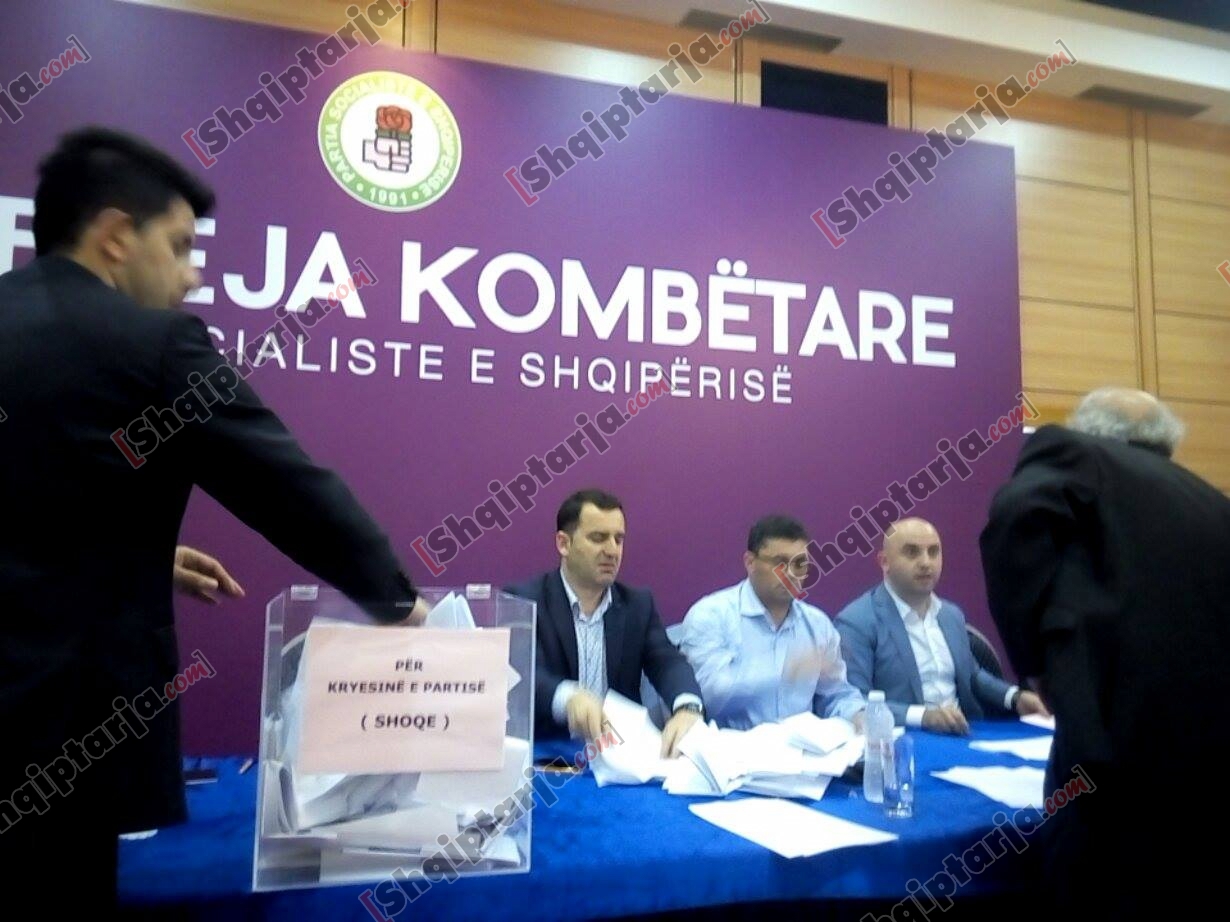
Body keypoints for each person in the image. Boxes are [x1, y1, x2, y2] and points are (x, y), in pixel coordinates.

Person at [0, 127, 425, 904]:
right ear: (116, 236)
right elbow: (285, 486)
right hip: (60, 737)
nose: (192, 275)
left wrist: (136, 554)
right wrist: (395, 599)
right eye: (179, 246)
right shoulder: (154, 346)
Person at [980, 387, 1230, 916]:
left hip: (1108, 746)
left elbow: (1013, 522)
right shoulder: (1212, 503)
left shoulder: (1071, 452)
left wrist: (1036, 663)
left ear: (1088, 430)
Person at [506, 489, 703, 756]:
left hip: (619, 756)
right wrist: (568, 697)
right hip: (548, 756)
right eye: (598, 538)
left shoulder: (637, 605)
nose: (612, 551)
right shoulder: (524, 601)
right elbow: (521, 674)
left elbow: (667, 662)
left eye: (618, 539)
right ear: (564, 544)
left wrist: (687, 706)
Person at [835, 517, 1047, 733]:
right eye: (912, 552)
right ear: (884, 562)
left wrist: (1015, 697)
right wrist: (924, 717)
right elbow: (856, 702)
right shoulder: (857, 622)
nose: (926, 562)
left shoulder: (950, 615)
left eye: (933, 552)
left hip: (964, 731)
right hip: (905, 738)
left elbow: (971, 675)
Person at [680, 515, 866, 731]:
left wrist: (859, 715)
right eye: (780, 563)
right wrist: (786, 670)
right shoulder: (711, 615)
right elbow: (710, 694)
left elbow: (836, 695)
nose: (791, 574)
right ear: (750, 563)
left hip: (802, 747)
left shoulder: (818, 625)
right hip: (731, 745)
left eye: (800, 564)